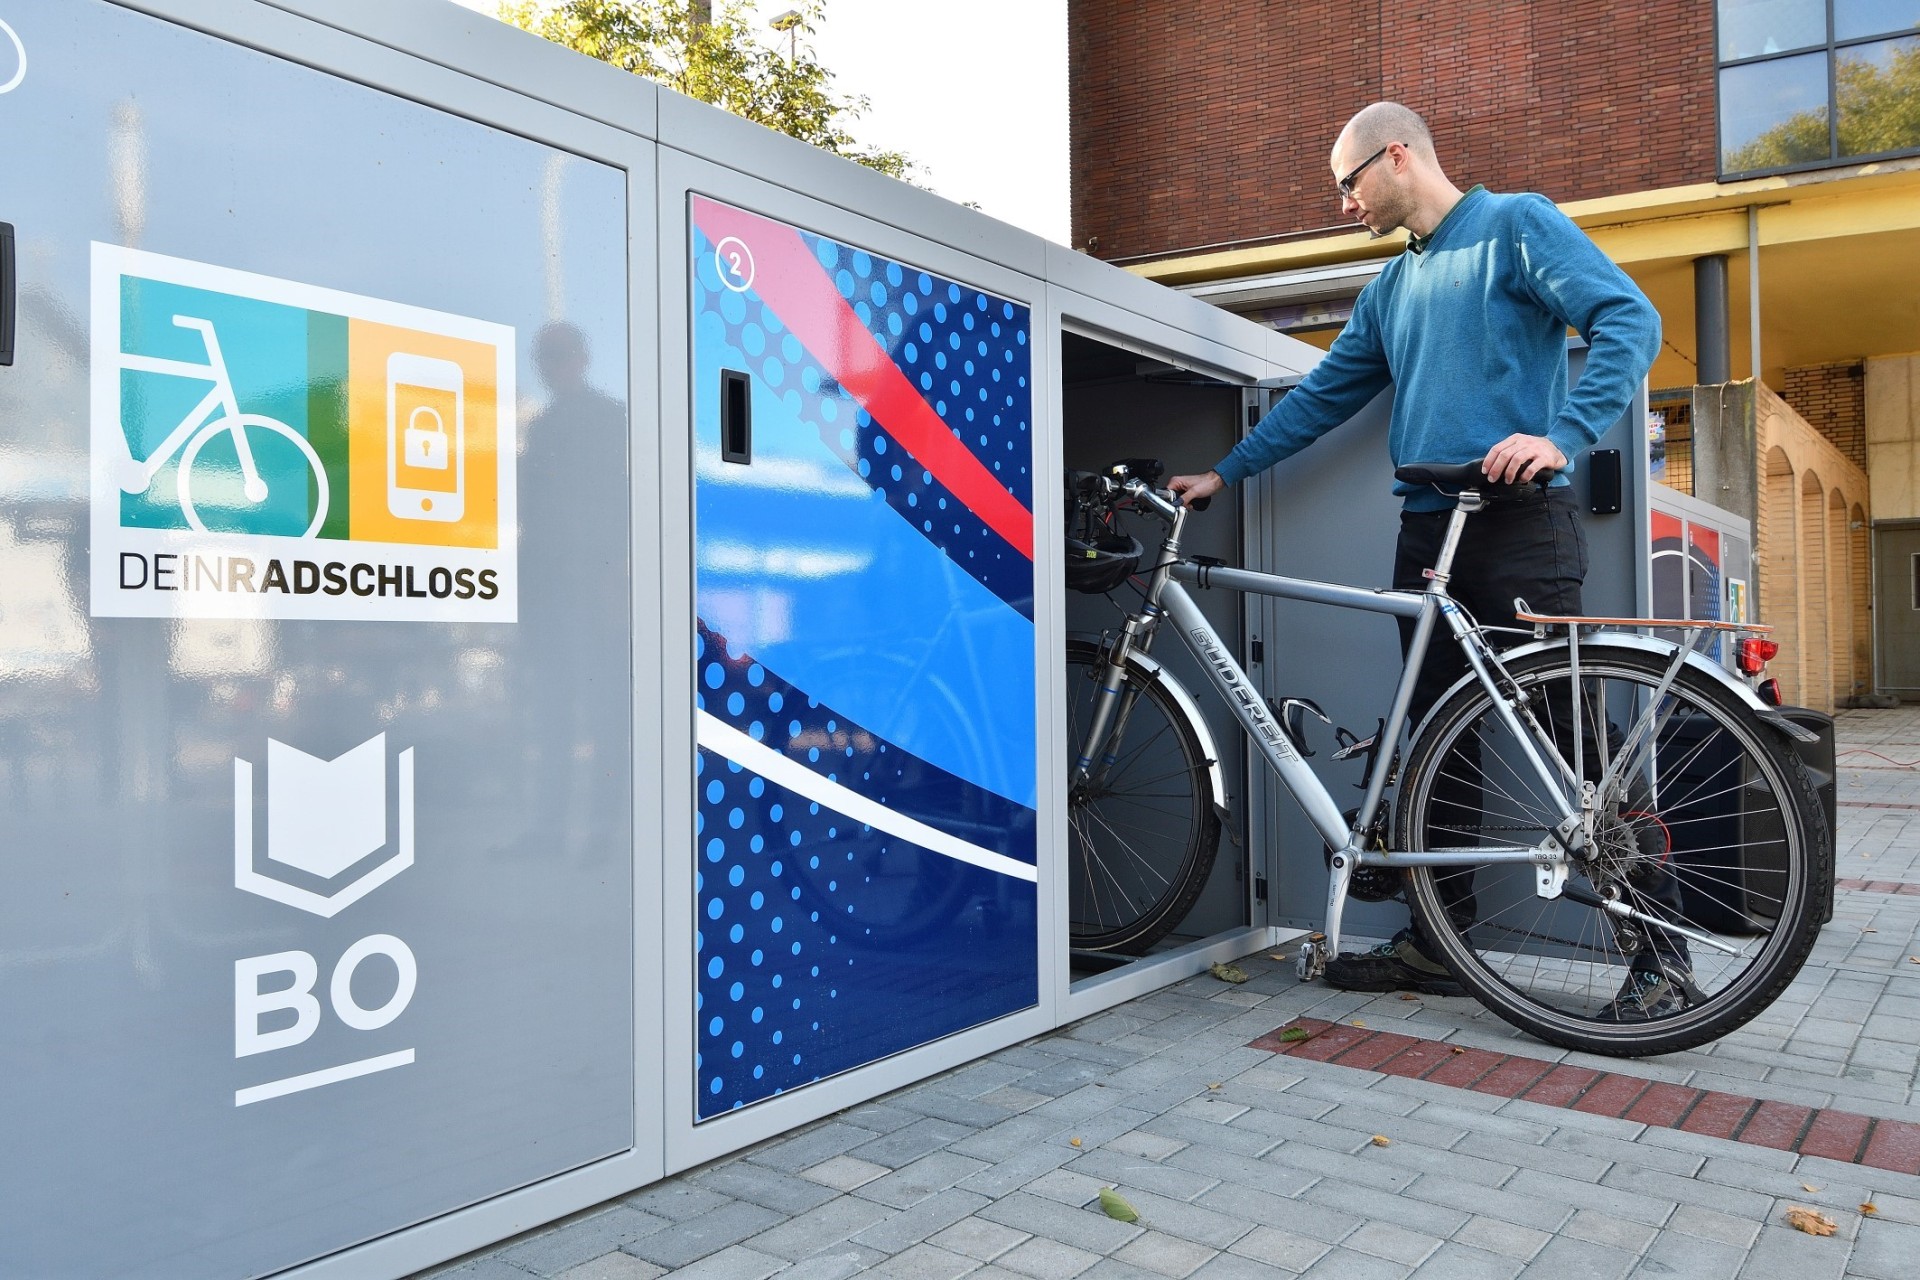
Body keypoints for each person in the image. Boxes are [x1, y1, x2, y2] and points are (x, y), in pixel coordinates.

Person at [1168, 102, 1683, 1017]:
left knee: (1577, 750)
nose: (1343, 203)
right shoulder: (1391, 288)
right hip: (1428, 534)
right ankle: (1438, 944)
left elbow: (1627, 319)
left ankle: (1661, 960)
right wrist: (1226, 470)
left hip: (1521, 526)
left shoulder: (1516, 225)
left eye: (1348, 182)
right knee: (1437, 749)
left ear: (1396, 157)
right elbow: (1325, 395)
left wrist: (1563, 435)